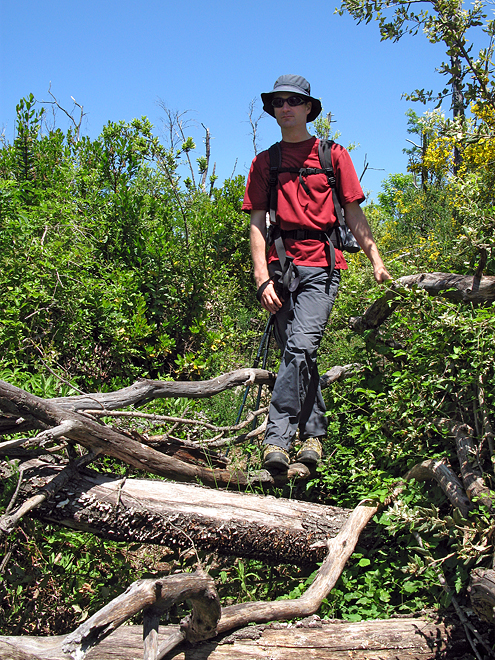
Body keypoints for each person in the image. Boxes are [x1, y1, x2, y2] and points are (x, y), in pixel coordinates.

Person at [242, 74, 391, 473]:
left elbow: (353, 212)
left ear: (309, 108)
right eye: (278, 102)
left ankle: (276, 439)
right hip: (280, 269)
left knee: (301, 347)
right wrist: (262, 278)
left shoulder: (333, 155)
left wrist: (376, 259)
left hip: (323, 266)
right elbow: (257, 224)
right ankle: (313, 436)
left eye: (293, 101)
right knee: (298, 354)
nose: (285, 107)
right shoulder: (265, 162)